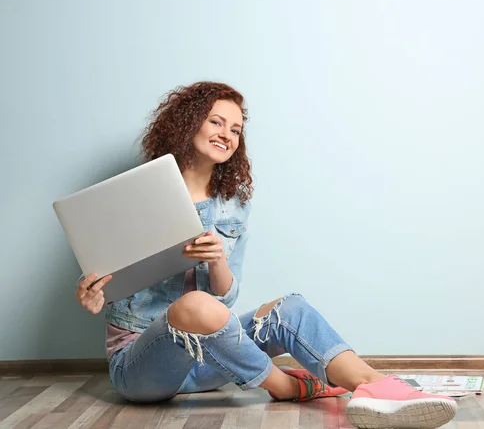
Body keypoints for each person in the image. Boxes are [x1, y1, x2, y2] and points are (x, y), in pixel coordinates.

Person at [75, 81, 457, 429]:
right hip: (142, 364)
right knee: (194, 306)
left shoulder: (232, 206)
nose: (227, 134)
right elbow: (107, 278)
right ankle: (286, 387)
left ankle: (374, 386)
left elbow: (225, 301)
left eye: (236, 129)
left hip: (210, 358)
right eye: (217, 122)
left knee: (289, 308)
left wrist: (216, 259)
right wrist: (94, 291)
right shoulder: (136, 196)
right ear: (189, 122)